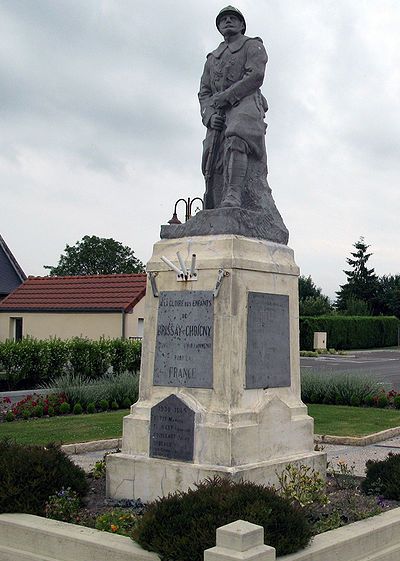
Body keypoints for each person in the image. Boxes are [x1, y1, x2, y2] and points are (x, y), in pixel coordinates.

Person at [199, 6, 269, 209]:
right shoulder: (212, 59)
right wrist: (210, 116)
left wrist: (227, 97)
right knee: (210, 158)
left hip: (245, 102)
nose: (227, 21)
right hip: (218, 112)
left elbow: (255, 76)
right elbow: (204, 92)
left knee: (237, 134)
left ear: (242, 25)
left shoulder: (252, 46)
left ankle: (233, 195)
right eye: (223, 19)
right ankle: (214, 200)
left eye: (233, 18)